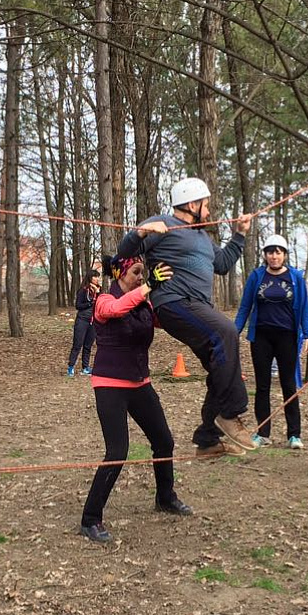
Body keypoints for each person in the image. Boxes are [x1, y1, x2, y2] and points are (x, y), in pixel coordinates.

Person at [115, 176, 254, 457]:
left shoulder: (203, 236)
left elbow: (224, 265)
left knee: (221, 367)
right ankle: (230, 412)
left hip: (198, 307)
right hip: (174, 303)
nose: (209, 209)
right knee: (227, 331)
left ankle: (207, 440)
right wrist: (140, 234)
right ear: (192, 203)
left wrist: (239, 234)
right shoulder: (163, 224)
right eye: (207, 204)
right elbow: (124, 252)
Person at [79, 254, 192, 543]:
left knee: (164, 440)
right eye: (136, 272)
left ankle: (165, 497)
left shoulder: (144, 303)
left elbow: (163, 321)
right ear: (119, 274)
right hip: (110, 385)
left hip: (140, 383)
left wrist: (176, 294)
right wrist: (147, 288)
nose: (141, 278)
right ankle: (90, 518)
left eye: (144, 273)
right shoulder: (104, 300)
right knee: (117, 451)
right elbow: (117, 309)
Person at [234, 233, 308, 449]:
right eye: (270, 252)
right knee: (263, 386)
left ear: (284, 255)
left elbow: (305, 308)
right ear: (265, 255)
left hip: (287, 337)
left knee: (289, 385)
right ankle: (263, 433)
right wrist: (233, 333)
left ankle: (294, 435)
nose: (274, 256)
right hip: (261, 337)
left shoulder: (296, 277)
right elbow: (245, 307)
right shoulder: (257, 276)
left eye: (278, 252)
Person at [67, 268, 100, 376]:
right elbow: (78, 306)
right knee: (78, 344)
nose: (97, 279)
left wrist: (97, 293)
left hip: (93, 321)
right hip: (82, 320)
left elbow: (100, 303)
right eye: (95, 276)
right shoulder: (83, 290)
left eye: (98, 276)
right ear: (90, 278)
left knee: (88, 345)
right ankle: (71, 367)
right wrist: (91, 303)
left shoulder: (98, 290)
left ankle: (85, 368)